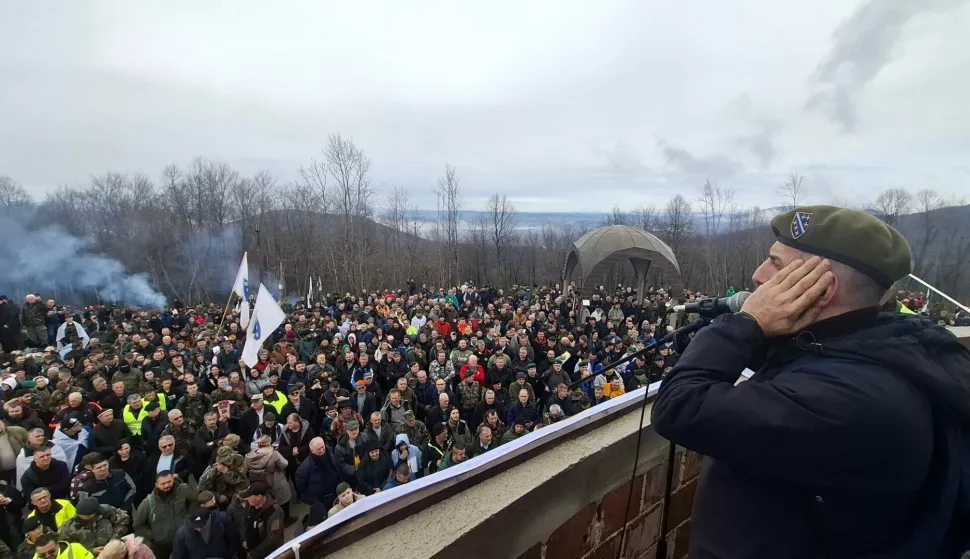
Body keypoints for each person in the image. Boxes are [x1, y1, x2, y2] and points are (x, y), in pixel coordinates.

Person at [652, 206, 970, 558]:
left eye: (775, 264)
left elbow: (681, 406)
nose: (758, 275)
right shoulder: (878, 345)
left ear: (822, 289)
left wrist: (746, 323)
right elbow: (801, 358)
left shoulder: (849, 400)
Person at [132, 471, 194, 559]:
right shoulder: (148, 503)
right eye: (163, 483)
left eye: (169, 482)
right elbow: (138, 525)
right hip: (162, 546)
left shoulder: (184, 489)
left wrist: (192, 520)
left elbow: (194, 502)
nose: (166, 486)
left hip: (186, 538)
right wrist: (155, 535)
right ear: (156, 485)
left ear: (173, 479)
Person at [58, 497, 129, 555]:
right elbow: (66, 550)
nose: (89, 521)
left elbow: (123, 520)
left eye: (91, 518)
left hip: (116, 550)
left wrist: (115, 539)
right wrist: (91, 551)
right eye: (84, 520)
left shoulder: (107, 511)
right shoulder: (69, 528)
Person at [170, 509, 239, 559]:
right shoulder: (182, 533)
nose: (198, 529)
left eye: (201, 525)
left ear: (209, 518)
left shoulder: (222, 521)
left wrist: (230, 555)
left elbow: (233, 538)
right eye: (195, 526)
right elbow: (178, 554)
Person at [239, 483, 283, 559]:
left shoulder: (274, 512)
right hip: (251, 547)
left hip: (267, 552)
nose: (246, 499)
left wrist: (255, 553)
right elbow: (244, 520)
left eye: (249, 497)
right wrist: (244, 539)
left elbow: (273, 538)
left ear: (259, 497)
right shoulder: (250, 504)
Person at [294, 437, 342, 507]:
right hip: (322, 500)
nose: (322, 450)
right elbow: (302, 489)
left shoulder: (330, 451)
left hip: (336, 492)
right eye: (318, 449)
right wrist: (314, 502)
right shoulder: (304, 468)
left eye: (322, 447)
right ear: (312, 450)